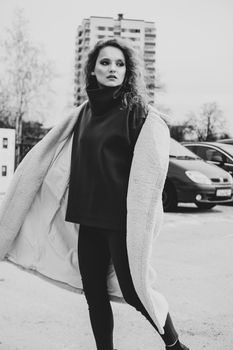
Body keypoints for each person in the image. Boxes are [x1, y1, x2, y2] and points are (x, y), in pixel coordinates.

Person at [0, 38, 189, 350]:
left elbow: (149, 172)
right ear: (92, 69)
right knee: (95, 297)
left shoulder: (138, 113)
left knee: (135, 291)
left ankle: (174, 344)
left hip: (120, 223)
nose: (112, 68)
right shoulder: (82, 114)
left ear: (128, 71)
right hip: (87, 220)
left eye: (119, 63)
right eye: (105, 62)